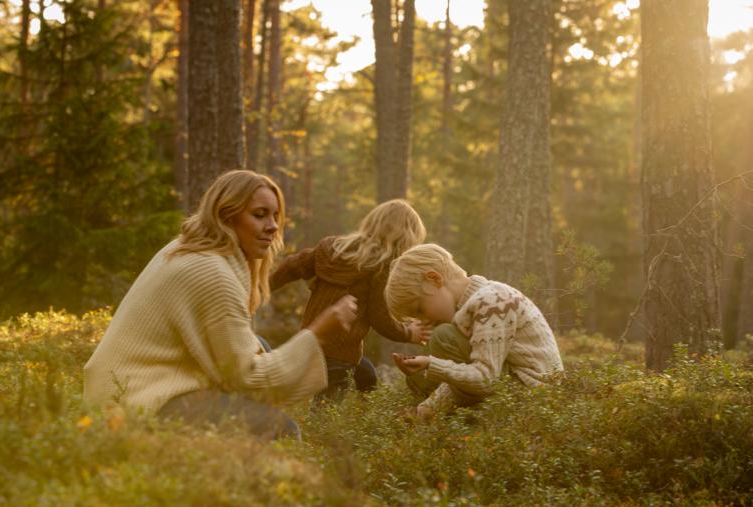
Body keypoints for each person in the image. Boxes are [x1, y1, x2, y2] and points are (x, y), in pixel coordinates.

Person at [83, 170, 357, 439]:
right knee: (282, 430)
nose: (273, 226)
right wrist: (319, 331)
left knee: (262, 346)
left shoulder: (187, 247)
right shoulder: (214, 274)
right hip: (138, 400)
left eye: (276, 216)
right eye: (259, 215)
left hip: (118, 387)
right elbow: (246, 377)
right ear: (227, 216)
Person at [269, 199, 431, 398]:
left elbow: (292, 265)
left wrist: (264, 286)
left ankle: (361, 415)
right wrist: (408, 333)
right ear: (405, 239)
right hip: (340, 352)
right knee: (326, 412)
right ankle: (334, 427)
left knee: (367, 375)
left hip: (311, 340)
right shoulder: (380, 268)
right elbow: (379, 317)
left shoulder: (333, 249)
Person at [384, 243, 564, 420]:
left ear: (434, 279)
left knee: (442, 338)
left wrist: (432, 364)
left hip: (533, 395)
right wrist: (425, 409)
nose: (423, 321)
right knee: (418, 378)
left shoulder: (492, 301)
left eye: (420, 310)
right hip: (510, 386)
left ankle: (472, 419)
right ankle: (460, 417)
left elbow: (486, 378)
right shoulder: (473, 307)